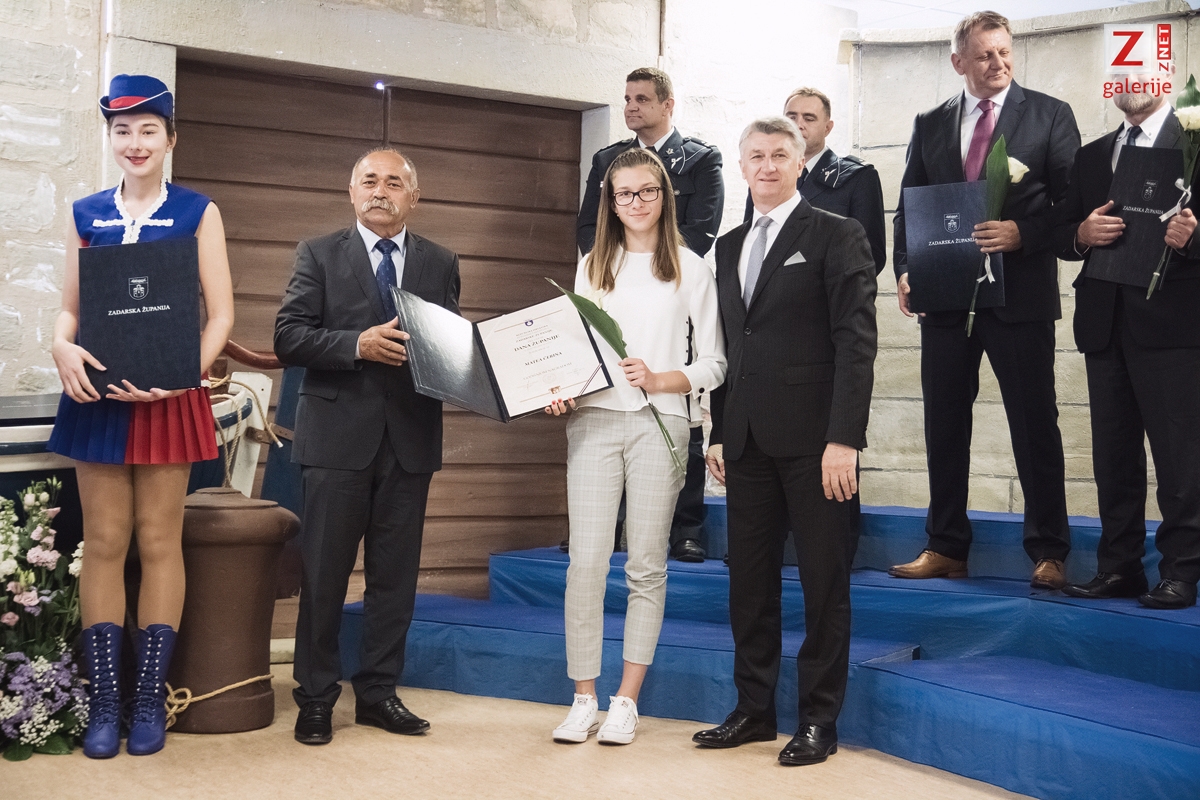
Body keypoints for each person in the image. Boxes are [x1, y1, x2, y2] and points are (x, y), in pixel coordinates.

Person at [48, 74, 235, 758]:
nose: (135, 142)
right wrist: (60, 343)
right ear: (111, 139)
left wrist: (181, 377)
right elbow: (70, 308)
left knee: (159, 541)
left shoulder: (198, 212)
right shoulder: (85, 214)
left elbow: (222, 316)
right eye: (122, 131)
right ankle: (105, 701)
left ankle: (148, 698)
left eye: (148, 130)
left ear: (170, 138)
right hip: (97, 398)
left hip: (169, 399)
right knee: (103, 542)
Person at [694, 116, 876, 766]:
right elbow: (727, 345)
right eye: (756, 156)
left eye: (779, 155)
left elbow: (856, 341)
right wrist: (718, 430)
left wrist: (844, 439)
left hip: (817, 446)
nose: (767, 166)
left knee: (824, 585)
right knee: (749, 585)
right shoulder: (727, 246)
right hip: (744, 441)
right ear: (742, 165)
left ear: (800, 163)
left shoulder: (837, 233)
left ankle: (819, 720)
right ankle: (753, 710)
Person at [275, 147, 461, 744]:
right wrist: (356, 344)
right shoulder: (318, 253)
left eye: (395, 183)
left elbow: (450, 346)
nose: (381, 191)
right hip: (335, 441)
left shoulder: (441, 261)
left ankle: (379, 694)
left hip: (410, 441)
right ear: (352, 192)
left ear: (415, 197)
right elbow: (288, 337)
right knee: (324, 577)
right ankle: (315, 698)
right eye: (370, 181)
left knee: (394, 581)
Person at [889, 11, 1080, 588]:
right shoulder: (930, 123)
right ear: (958, 62)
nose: (998, 63)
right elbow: (910, 205)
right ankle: (946, 545)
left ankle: (1049, 551)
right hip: (945, 297)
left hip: (1020, 298)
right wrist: (906, 269)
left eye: (1005, 52)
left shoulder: (1050, 115)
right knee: (944, 423)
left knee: (1034, 423)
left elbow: (1072, 205)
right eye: (984, 55)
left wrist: (1025, 234)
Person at [546, 147, 726, 745]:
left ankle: (626, 700)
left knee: (646, 564)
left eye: (647, 191)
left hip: (661, 423)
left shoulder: (690, 267)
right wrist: (560, 391)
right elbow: (576, 351)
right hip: (594, 422)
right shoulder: (593, 264)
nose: (636, 202)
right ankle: (583, 698)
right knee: (586, 564)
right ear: (610, 201)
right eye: (624, 194)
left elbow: (716, 363)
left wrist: (661, 378)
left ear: (665, 196)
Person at [1055, 86, 1200, 609]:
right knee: (1113, 457)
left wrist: (1195, 238)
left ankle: (1181, 571)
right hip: (1104, 322)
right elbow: (1059, 231)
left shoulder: (1195, 143)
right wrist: (1081, 232)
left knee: (1179, 458)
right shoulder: (1093, 154)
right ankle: (1119, 567)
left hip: (1173, 325)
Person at [575, 66, 724, 563]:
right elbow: (588, 225)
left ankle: (686, 527)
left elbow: (701, 228)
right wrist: (614, 263)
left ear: (667, 104)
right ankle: (613, 521)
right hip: (614, 278)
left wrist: (659, 265)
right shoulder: (606, 159)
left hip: (672, 280)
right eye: (626, 99)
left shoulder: (700, 158)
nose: (631, 107)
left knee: (679, 406)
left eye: (641, 98)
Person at [743, 87, 887, 275]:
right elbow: (751, 239)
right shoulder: (766, 176)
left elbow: (870, 254)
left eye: (809, 118)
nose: (798, 125)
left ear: (828, 128)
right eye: (791, 117)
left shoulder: (857, 178)